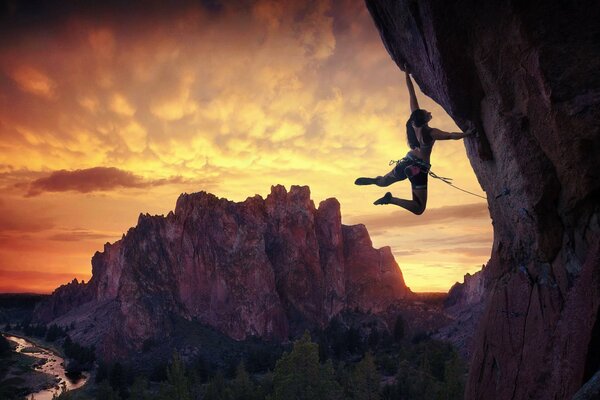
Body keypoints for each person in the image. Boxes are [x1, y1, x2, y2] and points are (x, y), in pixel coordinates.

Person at [354, 66, 475, 215]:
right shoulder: (430, 133)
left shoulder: (413, 122)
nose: (429, 113)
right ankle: (391, 200)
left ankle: (375, 181)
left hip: (407, 160)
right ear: (424, 120)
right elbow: (451, 135)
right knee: (419, 208)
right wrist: (468, 134)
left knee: (384, 182)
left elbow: (412, 95)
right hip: (418, 169)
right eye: (427, 114)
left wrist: (407, 74)